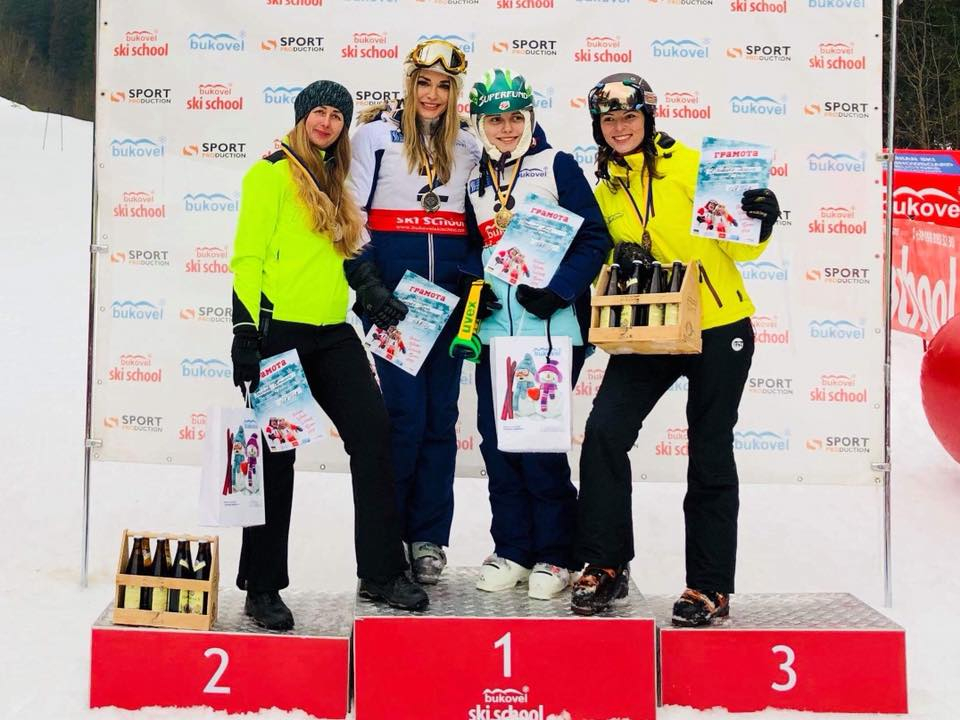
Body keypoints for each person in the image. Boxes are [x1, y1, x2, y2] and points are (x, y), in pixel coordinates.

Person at [571, 73, 781, 624]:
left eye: (629, 117)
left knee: (709, 449)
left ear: (648, 118)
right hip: (652, 326)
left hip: (718, 325)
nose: (619, 128)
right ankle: (606, 564)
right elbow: (600, 256)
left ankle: (708, 587)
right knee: (604, 433)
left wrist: (760, 220)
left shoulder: (693, 165)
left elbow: (742, 249)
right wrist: (617, 259)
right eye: (608, 120)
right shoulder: (605, 189)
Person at [229, 80, 428, 630]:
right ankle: (262, 587)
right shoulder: (269, 174)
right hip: (279, 332)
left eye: (337, 116)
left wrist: (371, 292)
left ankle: (381, 573)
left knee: (374, 436)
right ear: (301, 117)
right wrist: (245, 332)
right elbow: (247, 259)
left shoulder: (335, 180)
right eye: (318, 112)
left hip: (333, 333)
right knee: (278, 458)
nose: (327, 122)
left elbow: (347, 254)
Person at [462, 69, 610, 599]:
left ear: (529, 119)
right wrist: (474, 295)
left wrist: (560, 290)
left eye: (515, 118)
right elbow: (470, 250)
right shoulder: (475, 179)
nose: (506, 129)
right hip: (494, 336)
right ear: (480, 125)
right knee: (498, 443)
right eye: (495, 120)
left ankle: (555, 553)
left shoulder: (556, 165)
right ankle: (512, 549)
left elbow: (595, 238)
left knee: (540, 444)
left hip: (549, 332)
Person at [345, 40, 481, 585]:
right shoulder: (375, 137)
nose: (433, 94)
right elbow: (350, 214)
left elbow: (485, 215)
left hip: (447, 305)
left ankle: (427, 538)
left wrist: (472, 281)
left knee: (440, 420)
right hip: (395, 305)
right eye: (424, 82)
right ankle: (388, 538)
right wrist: (367, 285)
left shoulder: (468, 144)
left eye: (444, 86)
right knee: (402, 418)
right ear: (409, 84)